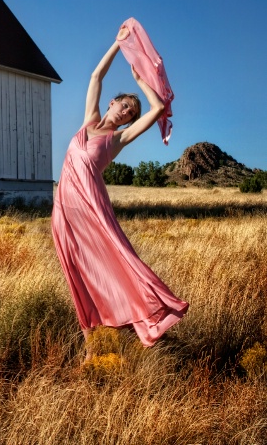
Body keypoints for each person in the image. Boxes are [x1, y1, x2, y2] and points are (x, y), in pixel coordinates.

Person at [51, 24, 188, 356]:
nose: (127, 113)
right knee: (78, 274)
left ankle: (149, 314)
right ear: (113, 103)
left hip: (92, 211)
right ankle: (92, 343)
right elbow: (96, 76)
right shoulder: (89, 120)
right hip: (65, 211)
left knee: (116, 263)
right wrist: (117, 44)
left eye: (130, 113)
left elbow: (156, 111)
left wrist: (143, 82)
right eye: (126, 105)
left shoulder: (118, 140)